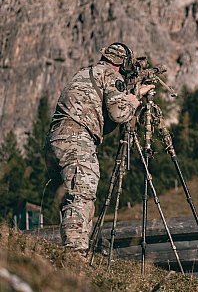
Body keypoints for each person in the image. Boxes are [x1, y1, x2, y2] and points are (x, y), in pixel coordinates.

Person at [45, 43, 154, 253]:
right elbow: (119, 113)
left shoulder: (85, 73)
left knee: (70, 197)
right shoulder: (110, 76)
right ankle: (75, 254)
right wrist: (134, 98)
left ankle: (86, 245)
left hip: (55, 139)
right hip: (77, 138)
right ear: (122, 63)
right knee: (81, 195)